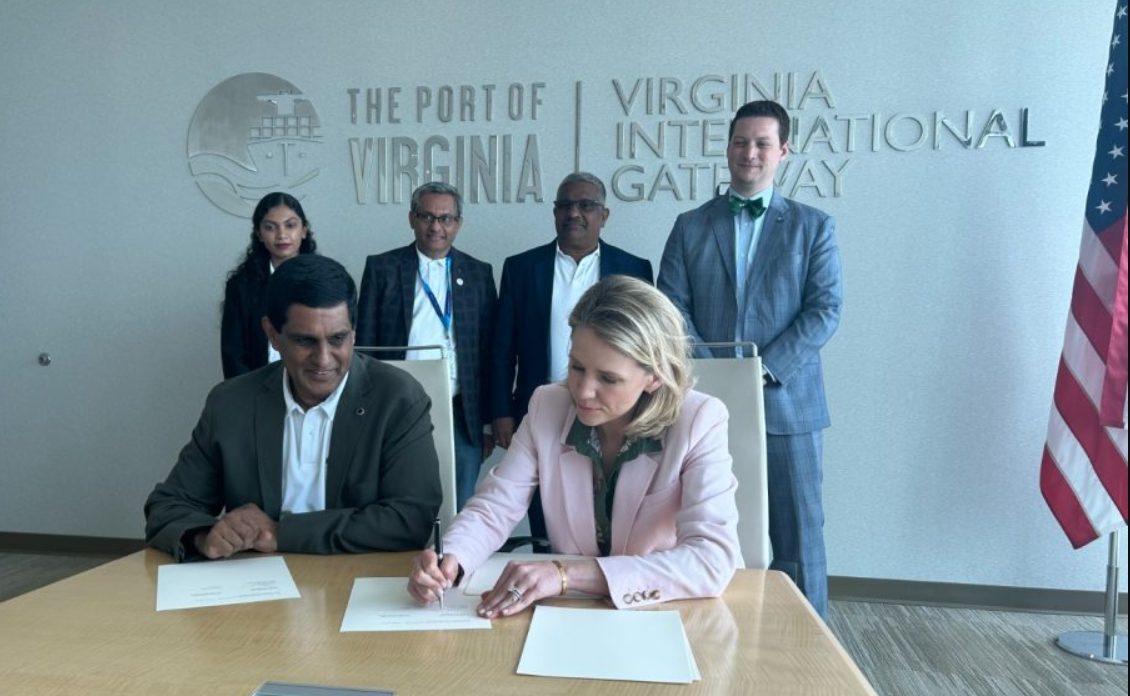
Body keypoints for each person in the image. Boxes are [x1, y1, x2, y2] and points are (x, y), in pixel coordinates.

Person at [409, 276, 742, 614]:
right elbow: (496, 505)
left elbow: (711, 559)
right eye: (576, 367)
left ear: (655, 376)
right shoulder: (547, 405)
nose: (582, 391)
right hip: (571, 613)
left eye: (608, 379)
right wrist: (451, 558)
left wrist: (567, 575)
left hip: (669, 610)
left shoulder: (700, 419)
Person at [657, 99, 843, 618]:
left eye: (762, 143)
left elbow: (824, 311)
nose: (750, 152)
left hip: (788, 407)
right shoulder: (690, 225)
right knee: (707, 527)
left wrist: (759, 369)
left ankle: (812, 653)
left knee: (800, 535)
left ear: (783, 150)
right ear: (728, 147)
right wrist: (716, 374)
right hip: (704, 404)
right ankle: (723, 639)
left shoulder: (813, 226)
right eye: (741, 141)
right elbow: (671, 306)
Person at [145, 254, 442, 562]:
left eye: (338, 339)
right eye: (305, 341)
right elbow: (167, 507)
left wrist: (281, 533)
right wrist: (204, 535)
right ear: (273, 335)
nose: (324, 359)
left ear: (354, 331)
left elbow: (411, 519)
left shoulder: (397, 398)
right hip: (256, 587)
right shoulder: (230, 403)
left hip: (358, 581)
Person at [490, 172, 653, 540]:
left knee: (613, 513)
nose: (574, 213)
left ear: (604, 215)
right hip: (542, 410)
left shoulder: (634, 268)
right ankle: (544, 576)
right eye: (565, 205)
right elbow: (503, 348)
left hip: (616, 412)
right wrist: (501, 410)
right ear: (554, 213)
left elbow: (645, 346)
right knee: (545, 515)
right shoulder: (521, 268)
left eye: (586, 205)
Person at [356, 182, 497, 509]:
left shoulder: (479, 273)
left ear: (458, 223)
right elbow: (364, 347)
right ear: (412, 219)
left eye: (446, 219)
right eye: (427, 217)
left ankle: (450, 562)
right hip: (396, 406)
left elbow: (490, 353)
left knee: (458, 504)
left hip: (461, 409)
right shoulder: (382, 268)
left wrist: (488, 421)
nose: (436, 227)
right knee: (396, 500)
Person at [221, 192, 318, 379]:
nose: (282, 235)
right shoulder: (242, 286)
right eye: (270, 227)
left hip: (314, 382)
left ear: (304, 230)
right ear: (259, 234)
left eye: (290, 225)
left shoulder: (323, 280)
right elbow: (233, 353)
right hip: (258, 386)